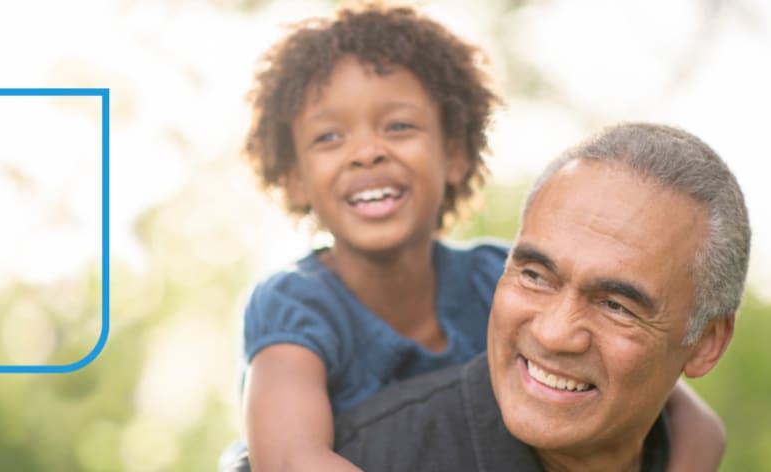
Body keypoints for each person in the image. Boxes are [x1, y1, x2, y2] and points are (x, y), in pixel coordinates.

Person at [230, 4, 727, 471]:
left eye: (398, 126)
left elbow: (701, 427)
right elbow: (294, 461)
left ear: (455, 154)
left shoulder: (504, 278)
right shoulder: (294, 306)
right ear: (294, 177)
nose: (366, 153)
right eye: (329, 137)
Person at [333, 122, 750, 472]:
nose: (553, 334)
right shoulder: (367, 456)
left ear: (705, 342)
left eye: (615, 305)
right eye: (535, 276)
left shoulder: (693, 448)